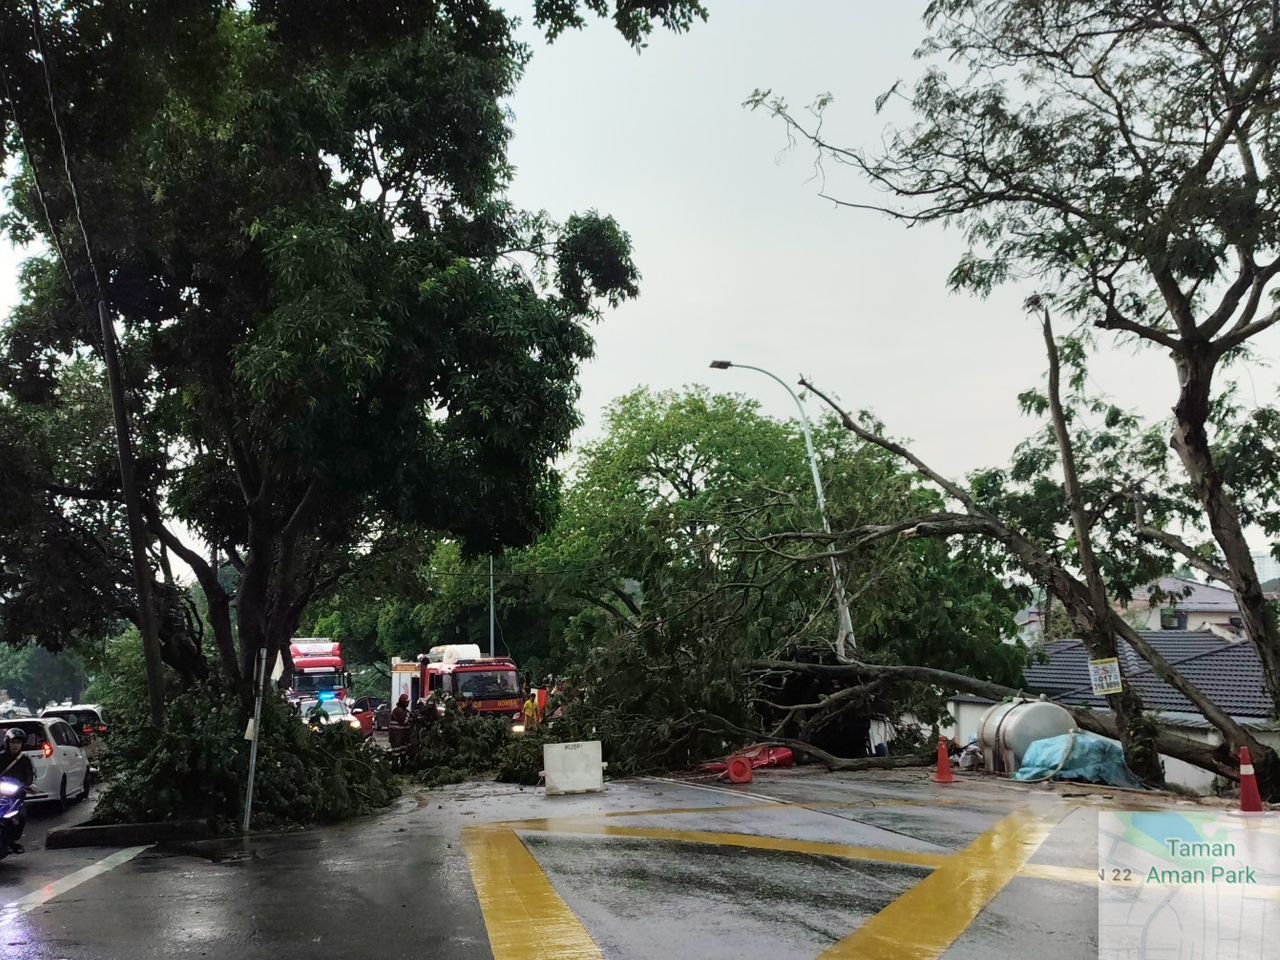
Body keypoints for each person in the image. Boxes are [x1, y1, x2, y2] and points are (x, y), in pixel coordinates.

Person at [0, 728, 35, 854]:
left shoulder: (25, 760)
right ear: (8, 742)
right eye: (13, 742)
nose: (15, 745)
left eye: (18, 743)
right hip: (1, 794)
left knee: (19, 816)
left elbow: (30, 776)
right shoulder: (1, 757)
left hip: (16, 795)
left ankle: (11, 840)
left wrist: (29, 785)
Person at [388, 694, 411, 759]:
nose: (408, 703)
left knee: (403, 752)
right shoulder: (397, 711)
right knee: (396, 753)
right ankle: (395, 768)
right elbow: (404, 721)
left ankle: (402, 767)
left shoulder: (404, 710)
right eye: (407, 702)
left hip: (402, 736)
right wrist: (410, 717)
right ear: (404, 702)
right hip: (396, 737)